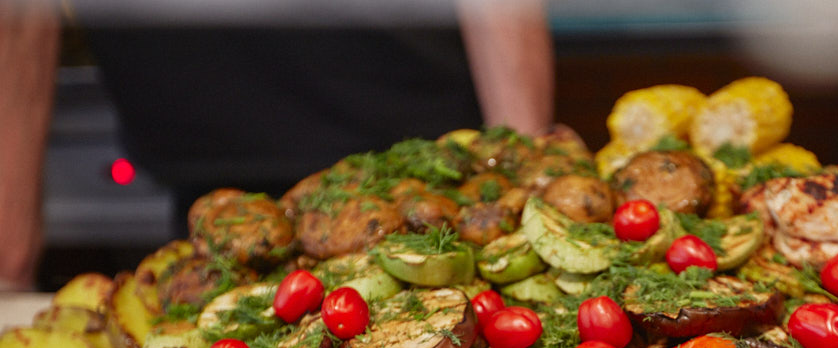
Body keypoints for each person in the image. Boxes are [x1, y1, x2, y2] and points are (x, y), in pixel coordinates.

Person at [0, 0, 555, 291]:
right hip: (216, 198)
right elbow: (20, 21)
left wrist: (524, 171)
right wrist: (9, 265)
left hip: (423, 186)